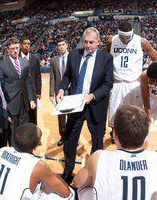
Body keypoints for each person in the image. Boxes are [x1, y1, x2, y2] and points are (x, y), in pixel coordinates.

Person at [74, 105, 157, 199]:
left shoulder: (98, 157)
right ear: (145, 135)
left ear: (114, 135)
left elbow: (77, 182)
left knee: (83, 188)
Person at [56, 27, 113, 182]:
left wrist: (92, 96)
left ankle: (96, 170)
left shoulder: (106, 58)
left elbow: (108, 85)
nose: (88, 45)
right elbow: (67, 76)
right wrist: (61, 89)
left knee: (97, 142)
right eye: (86, 42)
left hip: (95, 105)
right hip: (75, 105)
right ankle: (68, 169)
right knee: (69, 139)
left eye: (92, 42)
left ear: (98, 42)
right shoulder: (74, 54)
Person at [0, 123, 74, 199]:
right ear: (36, 147)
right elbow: (66, 192)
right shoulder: (37, 166)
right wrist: (56, 177)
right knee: (71, 195)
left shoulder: (2, 151)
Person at [105, 21, 157, 134]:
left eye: (127, 37)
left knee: (134, 116)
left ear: (132, 33)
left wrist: (146, 75)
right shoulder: (112, 41)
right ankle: (116, 137)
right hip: (117, 83)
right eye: (122, 37)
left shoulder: (141, 42)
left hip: (133, 84)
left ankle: (132, 137)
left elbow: (156, 59)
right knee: (115, 117)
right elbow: (105, 59)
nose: (124, 40)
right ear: (118, 33)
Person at [0, 37, 36, 146]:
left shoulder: (25, 62)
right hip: (11, 104)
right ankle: (14, 151)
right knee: (13, 132)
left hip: (24, 103)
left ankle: (24, 149)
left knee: (24, 130)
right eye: (12, 48)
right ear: (8, 50)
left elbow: (28, 82)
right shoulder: (2, 66)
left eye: (16, 48)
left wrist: (31, 99)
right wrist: (4, 106)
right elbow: (1, 88)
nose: (15, 50)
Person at [50, 38, 69, 146]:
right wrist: (50, 94)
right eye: (59, 45)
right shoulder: (53, 60)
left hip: (71, 91)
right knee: (61, 117)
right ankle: (63, 136)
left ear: (67, 45)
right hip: (59, 93)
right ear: (57, 47)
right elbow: (52, 78)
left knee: (72, 117)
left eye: (63, 44)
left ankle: (73, 137)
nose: (61, 46)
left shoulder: (73, 57)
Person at [20, 38, 42, 125]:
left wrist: (38, 92)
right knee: (23, 115)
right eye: (25, 43)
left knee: (33, 116)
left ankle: (33, 135)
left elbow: (38, 76)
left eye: (28, 44)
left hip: (32, 91)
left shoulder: (35, 59)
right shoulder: (16, 58)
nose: (27, 45)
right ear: (21, 45)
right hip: (21, 91)